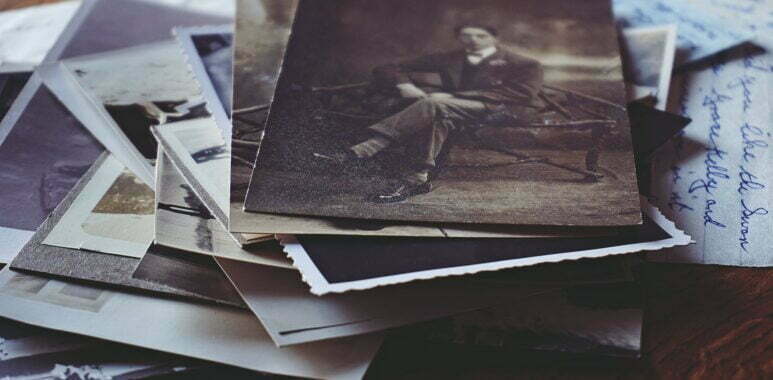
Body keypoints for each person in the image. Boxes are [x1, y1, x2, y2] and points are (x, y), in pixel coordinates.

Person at [316, 24, 545, 203]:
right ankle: (416, 179)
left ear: (495, 38)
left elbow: (523, 93)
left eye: (480, 35)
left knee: (435, 104)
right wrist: (403, 85)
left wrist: (457, 97)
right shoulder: (450, 58)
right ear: (459, 38)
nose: (473, 40)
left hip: (502, 110)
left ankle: (363, 149)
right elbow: (388, 67)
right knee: (439, 116)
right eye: (466, 35)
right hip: (451, 109)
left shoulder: (523, 63)